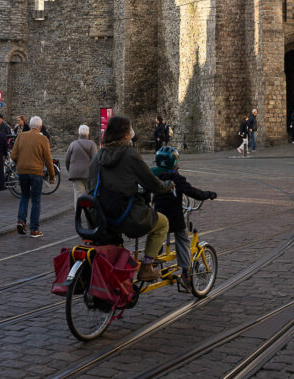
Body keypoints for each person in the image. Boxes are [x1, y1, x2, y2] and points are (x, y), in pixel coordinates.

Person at [88, 115, 173, 282]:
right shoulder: (130, 154)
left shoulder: (98, 156)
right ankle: (147, 268)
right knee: (163, 223)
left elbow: (90, 184)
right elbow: (150, 181)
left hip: (100, 215)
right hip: (125, 214)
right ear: (126, 134)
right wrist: (167, 186)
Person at [150, 147, 217, 289]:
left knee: (158, 235)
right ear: (173, 162)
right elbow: (192, 192)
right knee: (183, 239)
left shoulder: (152, 174)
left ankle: (154, 258)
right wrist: (208, 194)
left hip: (157, 215)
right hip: (174, 217)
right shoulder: (176, 178)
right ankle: (186, 272)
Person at [10, 116, 55, 238]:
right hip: (36, 172)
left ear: (29, 126)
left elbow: (13, 155)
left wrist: (21, 162)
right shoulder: (43, 139)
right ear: (40, 127)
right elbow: (48, 160)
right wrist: (52, 175)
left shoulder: (21, 136)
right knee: (36, 200)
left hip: (22, 171)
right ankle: (34, 229)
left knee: (24, 196)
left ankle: (21, 221)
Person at [65, 124, 98, 208]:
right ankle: (88, 215)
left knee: (78, 194)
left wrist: (70, 170)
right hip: (88, 174)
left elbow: (67, 159)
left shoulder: (73, 144)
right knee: (89, 194)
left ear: (79, 134)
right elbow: (95, 160)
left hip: (75, 173)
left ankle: (78, 215)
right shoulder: (92, 144)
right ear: (88, 134)